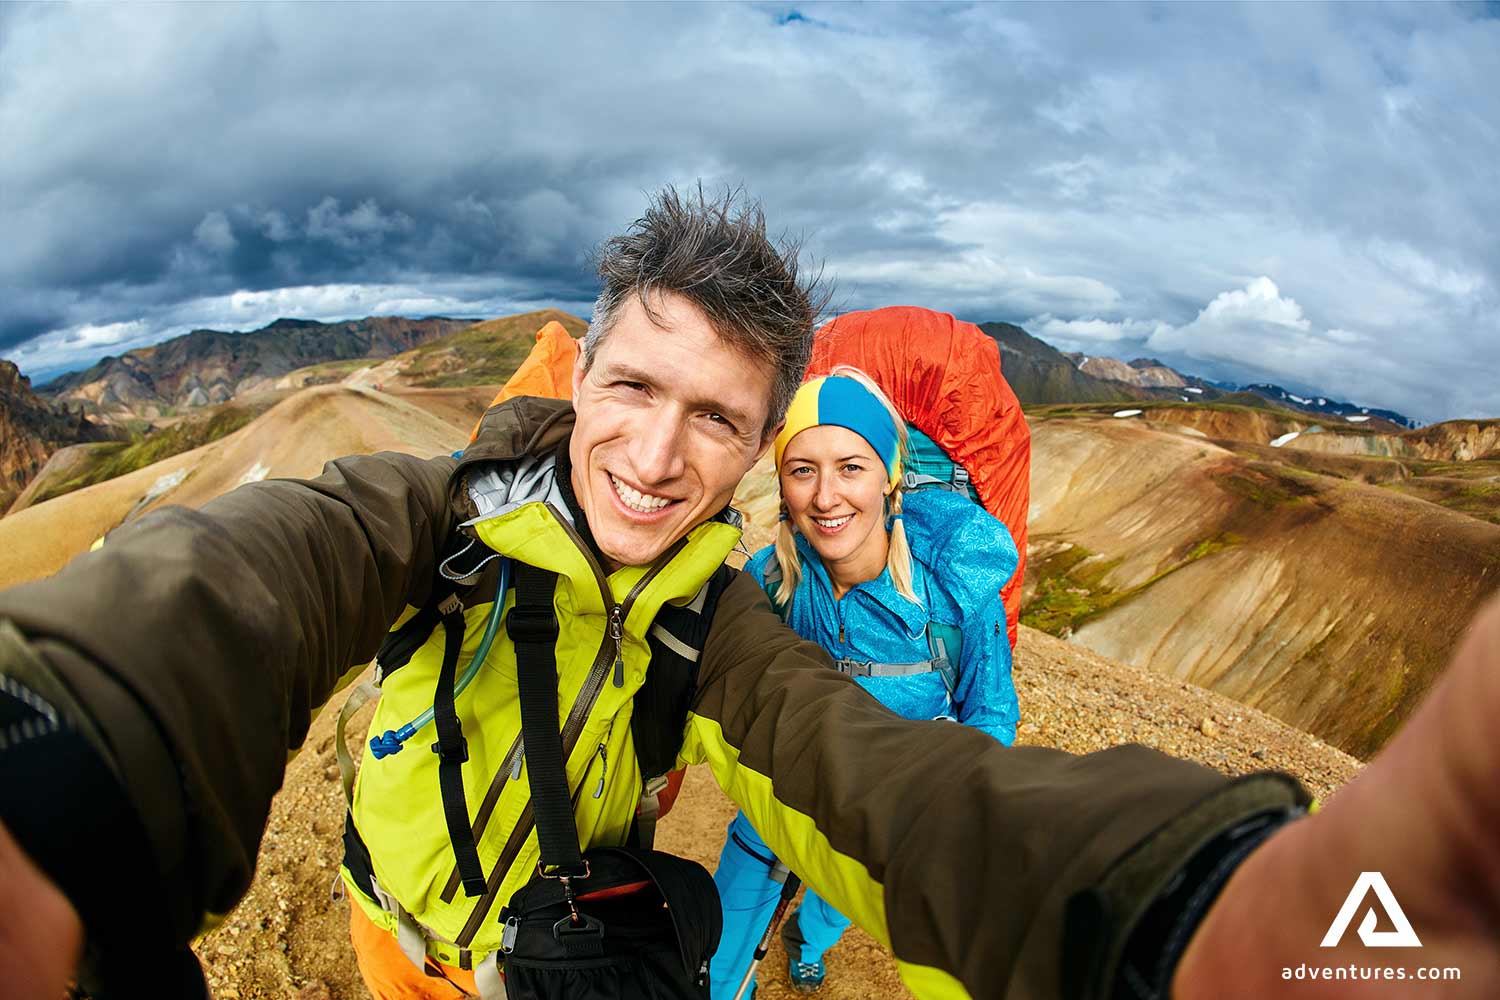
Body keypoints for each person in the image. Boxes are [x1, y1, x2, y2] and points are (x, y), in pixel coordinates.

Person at [0, 186, 1498, 1000]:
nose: (656, 457)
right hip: (404, 942)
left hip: (559, 954)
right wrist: (56, 752)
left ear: (757, 452)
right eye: (635, 387)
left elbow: (881, 776)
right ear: (578, 375)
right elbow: (248, 577)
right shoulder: (433, 521)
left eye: (718, 419)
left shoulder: (728, 620)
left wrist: (1174, 908)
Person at [710, 367, 1020, 998]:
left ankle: (807, 942)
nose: (826, 497)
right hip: (776, 806)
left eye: (851, 466)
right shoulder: (771, 581)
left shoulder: (956, 590)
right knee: (718, 949)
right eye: (803, 470)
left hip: (879, 812)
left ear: (890, 475)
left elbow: (990, 711)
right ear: (783, 484)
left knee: (831, 903)